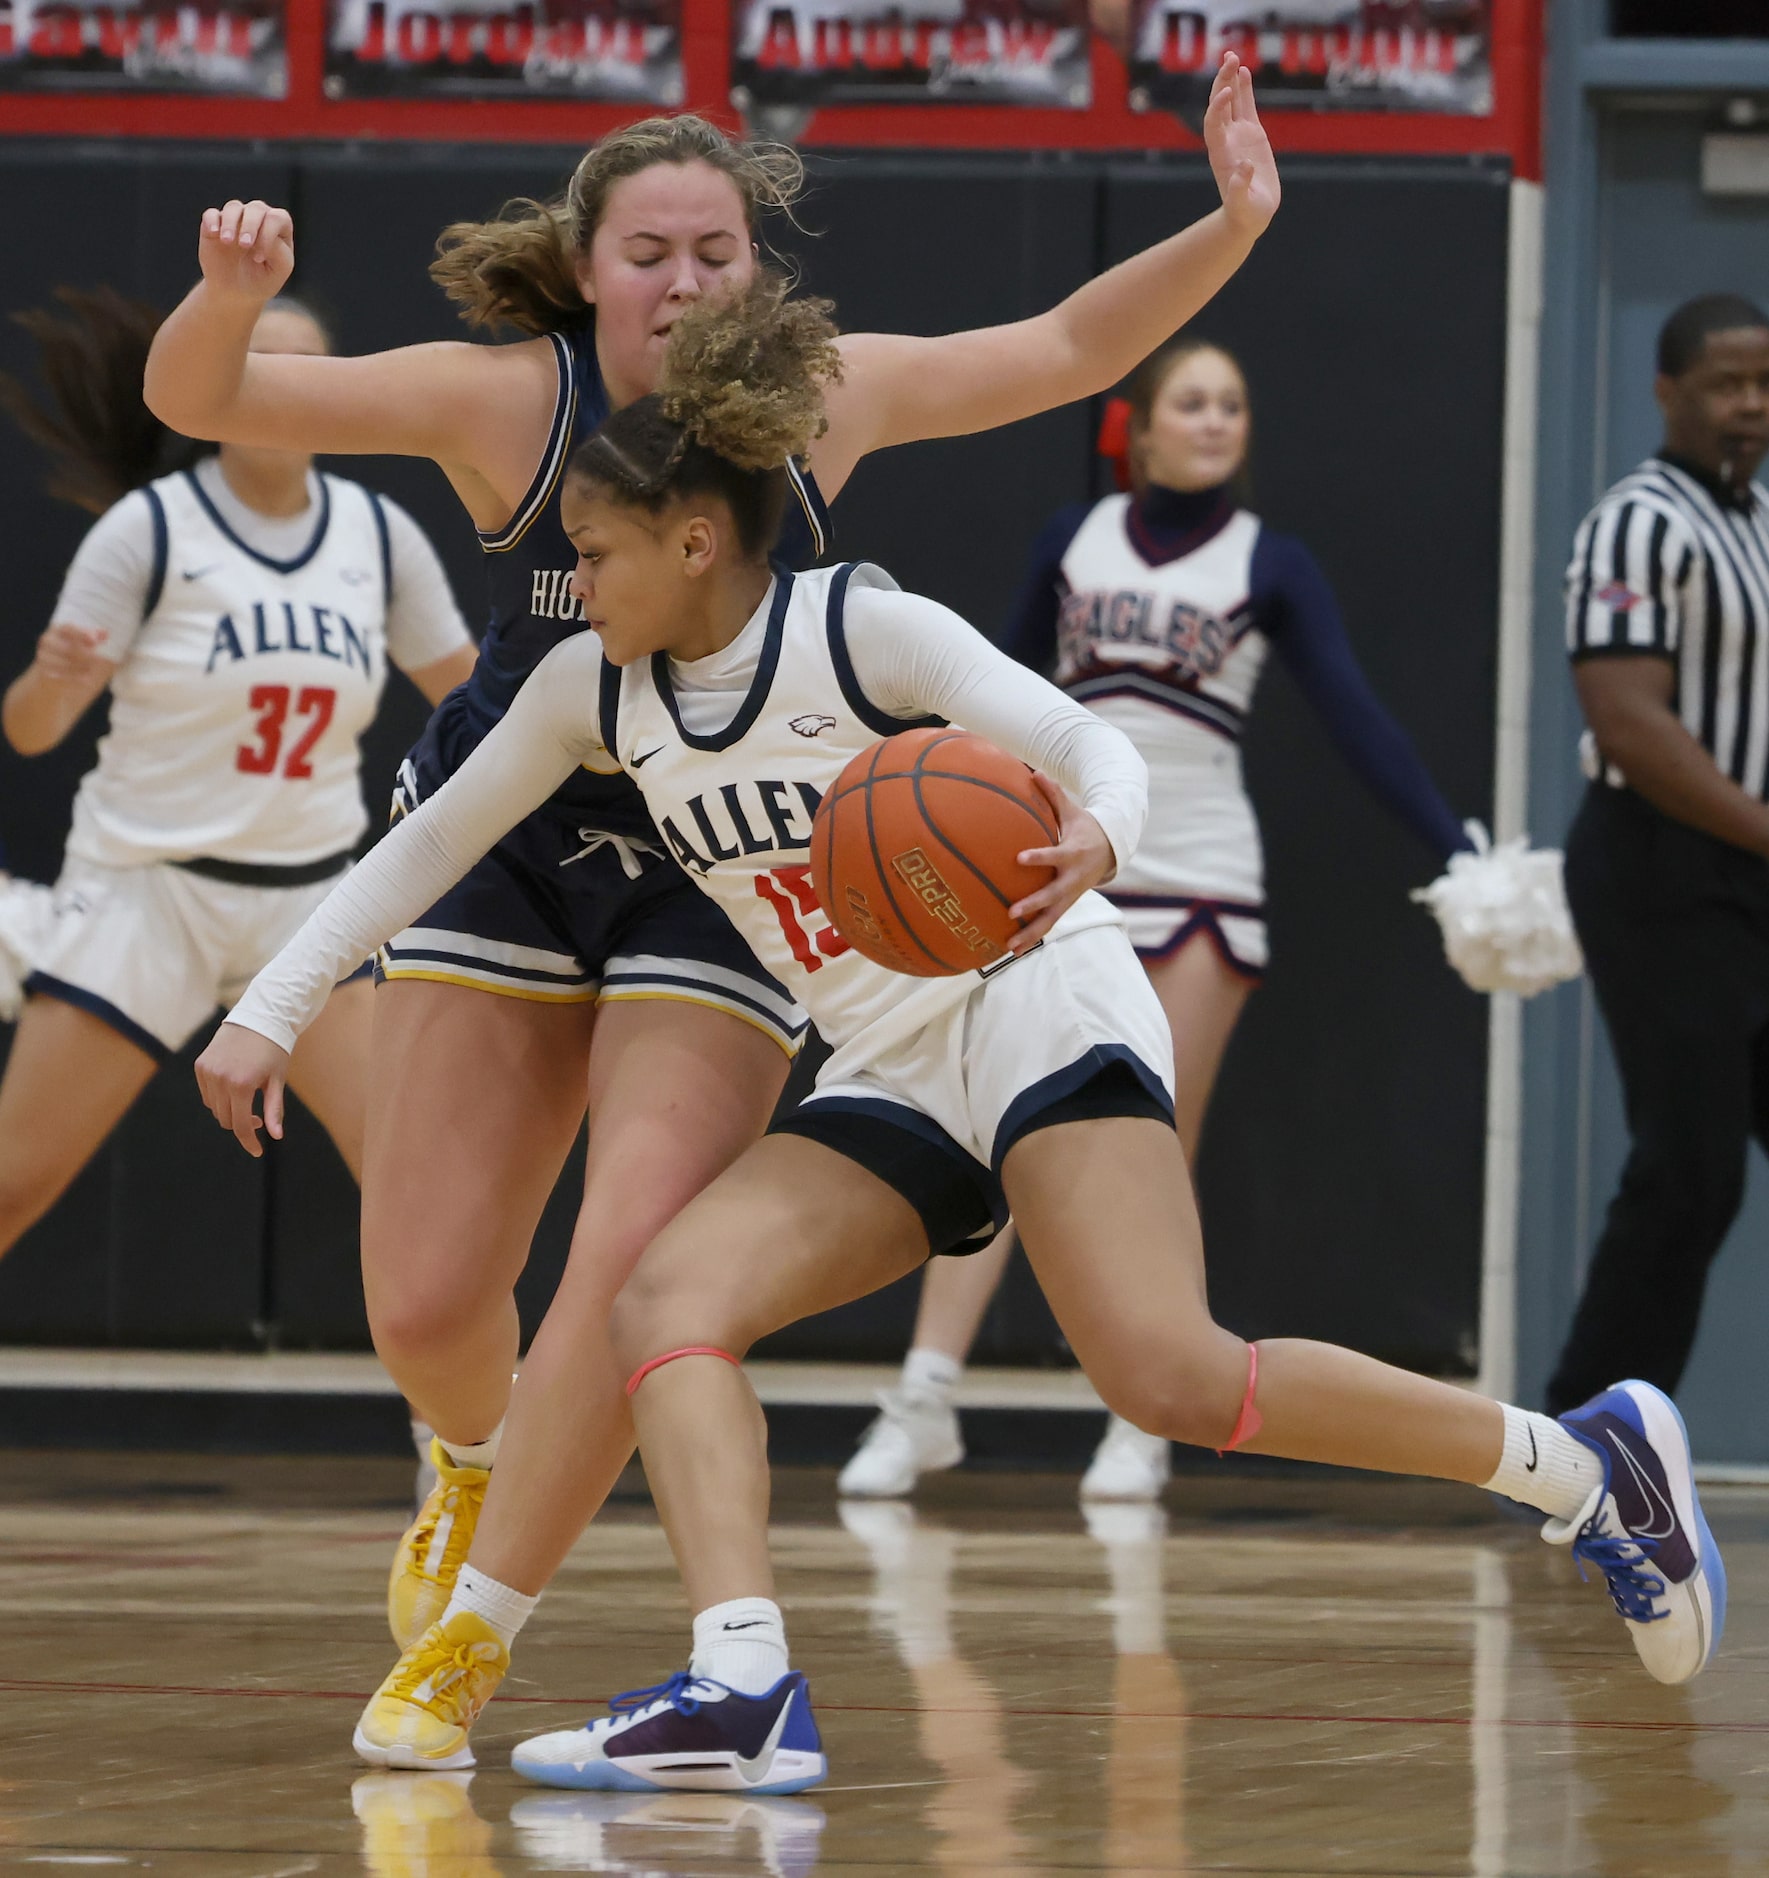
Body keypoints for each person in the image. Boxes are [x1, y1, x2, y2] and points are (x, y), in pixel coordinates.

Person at [196, 281, 1726, 1791]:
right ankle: (741, 1681)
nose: (571, 579)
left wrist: (1102, 841)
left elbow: (1085, 741)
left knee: (1170, 1374)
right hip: (884, 1057)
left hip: (1031, 989)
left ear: (695, 537)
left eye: (592, 551)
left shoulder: (861, 627)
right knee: (667, 1300)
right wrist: (270, 1012)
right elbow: (416, 851)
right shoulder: (593, 692)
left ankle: (1584, 1465)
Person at [144, 57, 1283, 1655]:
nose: (684, 283)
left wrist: (1233, 219)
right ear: (588, 268)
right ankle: (470, 1456)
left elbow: (1071, 347)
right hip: (514, 833)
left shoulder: (822, 396)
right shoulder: (512, 402)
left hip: (722, 861)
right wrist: (224, 295)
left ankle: (483, 1637)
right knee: (422, 1296)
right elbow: (205, 401)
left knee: (628, 1252)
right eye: (648, 255)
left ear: (760, 269)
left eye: (716, 254)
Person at [840, 335, 1475, 1503]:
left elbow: (1353, 718)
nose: (1215, 421)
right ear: (1136, 421)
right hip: (1052, 864)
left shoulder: (1266, 562)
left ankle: (1136, 1416)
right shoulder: (1069, 543)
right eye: (1191, 401)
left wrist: (1456, 851)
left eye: (1232, 404)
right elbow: (978, 689)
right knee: (988, 1129)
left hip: (1201, 880)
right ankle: (922, 1398)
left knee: (1141, 1148)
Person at [0, 288, 475, 1259]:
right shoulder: (149, 528)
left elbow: (476, 705)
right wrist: (49, 683)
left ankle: (469, 1420)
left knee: (424, 1202)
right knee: (11, 1185)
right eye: (259, 365)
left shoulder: (377, 535)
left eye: (306, 369)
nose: (283, 389)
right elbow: (33, 733)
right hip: (148, 895)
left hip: (307, 905)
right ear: (220, 385)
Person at [1548, 292, 1769, 1416]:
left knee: (1699, 1176)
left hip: (1749, 873)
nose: (1747, 406)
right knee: (1687, 1172)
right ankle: (1581, 1452)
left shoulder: (1757, 523)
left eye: (1761, 385)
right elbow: (1629, 720)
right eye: (1724, 384)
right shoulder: (1634, 523)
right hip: (1658, 868)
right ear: (1665, 392)